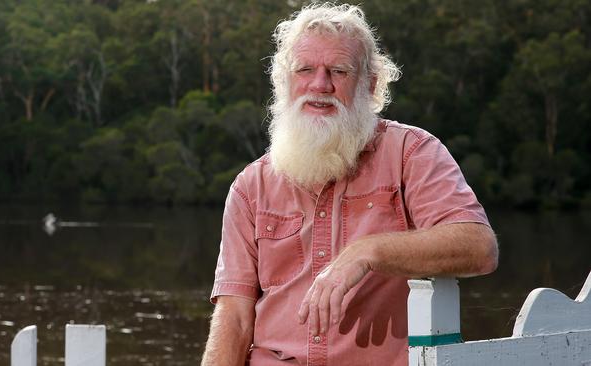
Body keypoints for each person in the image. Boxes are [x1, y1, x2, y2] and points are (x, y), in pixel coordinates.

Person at [201, 3, 498, 366]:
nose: (319, 85)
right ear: (285, 83)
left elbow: (479, 247)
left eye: (338, 71)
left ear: (369, 85)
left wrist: (368, 252)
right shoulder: (251, 187)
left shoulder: (412, 153)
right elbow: (234, 316)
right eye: (305, 70)